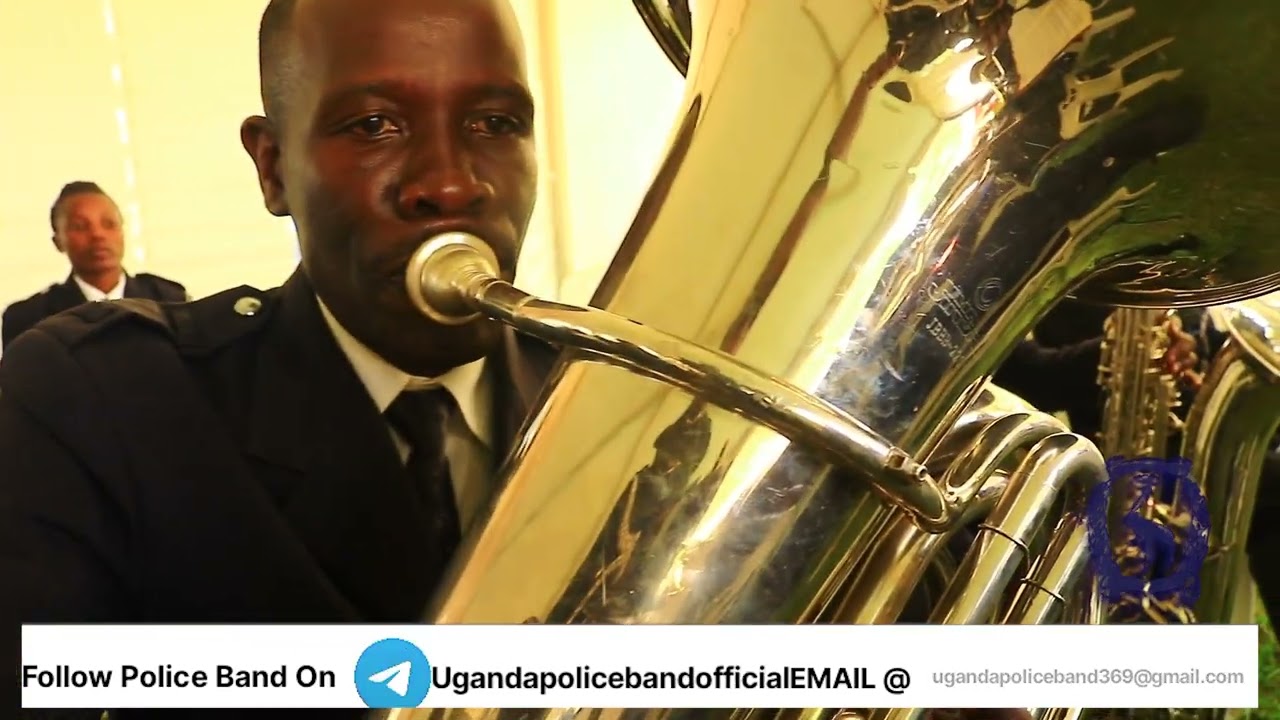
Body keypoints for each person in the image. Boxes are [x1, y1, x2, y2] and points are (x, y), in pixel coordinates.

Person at [0, 2, 1029, 719]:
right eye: (373, 125)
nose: (450, 182)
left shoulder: (651, 410)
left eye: (496, 124)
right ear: (272, 166)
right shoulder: (101, 402)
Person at [1, 181, 188, 350]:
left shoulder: (169, 300)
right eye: (80, 226)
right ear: (58, 241)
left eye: (109, 224)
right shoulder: (28, 318)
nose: (98, 235)